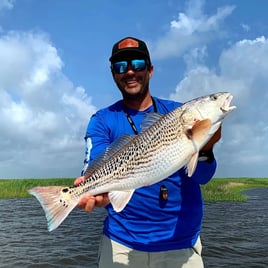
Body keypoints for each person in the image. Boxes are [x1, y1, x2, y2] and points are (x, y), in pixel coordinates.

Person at [74, 36, 221, 268]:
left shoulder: (177, 113)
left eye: (138, 64)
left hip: (181, 246)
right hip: (121, 246)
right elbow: (94, 166)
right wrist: (96, 193)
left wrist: (207, 147)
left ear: (150, 70)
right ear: (114, 75)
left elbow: (202, 177)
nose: (130, 71)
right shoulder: (102, 120)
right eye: (121, 66)